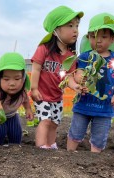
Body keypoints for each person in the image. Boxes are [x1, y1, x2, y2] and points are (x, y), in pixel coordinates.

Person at [67, 13, 114, 153]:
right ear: (88, 37)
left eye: (104, 36)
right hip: (83, 104)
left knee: (99, 137)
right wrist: (81, 80)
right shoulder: (85, 56)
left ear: (113, 38)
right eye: (93, 36)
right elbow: (78, 72)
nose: (98, 41)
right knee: (76, 131)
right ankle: (68, 155)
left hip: (105, 108)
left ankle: (95, 159)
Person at [30, 5, 84, 149]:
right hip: (42, 95)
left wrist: (75, 86)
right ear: (55, 31)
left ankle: (51, 145)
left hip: (57, 97)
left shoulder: (71, 56)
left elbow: (69, 77)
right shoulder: (44, 49)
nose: (75, 30)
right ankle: (41, 146)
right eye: (70, 25)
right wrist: (33, 88)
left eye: (77, 26)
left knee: (54, 123)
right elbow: (35, 68)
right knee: (45, 121)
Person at [0, 52, 34, 145]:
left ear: (23, 78)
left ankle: (15, 148)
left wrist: (28, 109)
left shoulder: (22, 92)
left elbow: (25, 101)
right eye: (6, 79)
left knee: (16, 133)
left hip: (12, 115)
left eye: (17, 79)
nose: (12, 83)